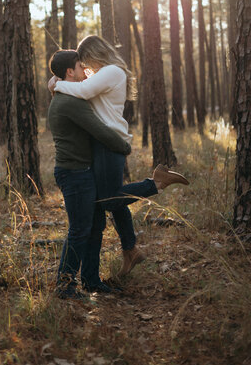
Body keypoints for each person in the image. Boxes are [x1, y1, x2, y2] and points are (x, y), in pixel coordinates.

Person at [50, 35, 189, 276]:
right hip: (102, 143)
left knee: (109, 200)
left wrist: (55, 85)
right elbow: (80, 83)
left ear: (94, 53)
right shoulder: (103, 73)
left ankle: (156, 182)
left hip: (109, 142)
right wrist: (59, 79)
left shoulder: (113, 71)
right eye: (81, 64)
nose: (85, 67)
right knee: (112, 198)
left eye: (85, 61)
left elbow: (82, 90)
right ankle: (130, 250)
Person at [48, 49, 131, 299]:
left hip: (82, 172)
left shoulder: (66, 95)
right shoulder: (70, 102)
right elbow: (101, 131)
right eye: (80, 67)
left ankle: (91, 280)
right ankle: (65, 285)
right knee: (80, 230)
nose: (86, 71)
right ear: (69, 72)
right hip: (74, 174)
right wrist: (124, 147)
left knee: (95, 226)